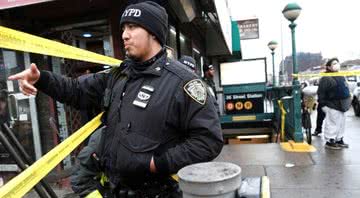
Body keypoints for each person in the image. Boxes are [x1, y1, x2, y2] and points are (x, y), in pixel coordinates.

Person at [8, 1, 223, 197]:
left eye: (132, 27)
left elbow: (208, 141)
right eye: (123, 28)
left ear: (154, 33)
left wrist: (155, 163)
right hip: (113, 190)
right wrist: (42, 79)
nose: (124, 35)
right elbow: (76, 90)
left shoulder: (182, 83)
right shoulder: (119, 75)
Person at [317, 57, 351, 149]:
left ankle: (339, 139)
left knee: (341, 123)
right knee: (332, 123)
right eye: (334, 63)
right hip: (332, 104)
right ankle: (330, 140)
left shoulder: (340, 75)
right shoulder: (326, 78)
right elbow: (321, 92)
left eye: (337, 63)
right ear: (328, 67)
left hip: (343, 105)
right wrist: (323, 104)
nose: (337, 65)